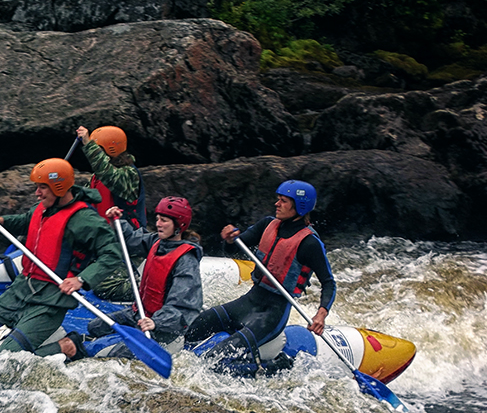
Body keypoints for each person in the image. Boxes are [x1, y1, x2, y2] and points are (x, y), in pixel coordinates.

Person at [0, 158, 122, 360]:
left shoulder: (85, 220)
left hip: (51, 300)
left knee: (4, 360)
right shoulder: (41, 208)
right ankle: (13, 338)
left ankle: (67, 346)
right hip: (21, 289)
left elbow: (112, 253)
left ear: (58, 187)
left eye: (42, 187)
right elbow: (26, 221)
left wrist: (81, 279)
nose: (37, 193)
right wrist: (1, 221)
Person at [184, 180, 336, 375]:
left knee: (215, 361)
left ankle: (277, 366)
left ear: (300, 206)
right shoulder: (267, 224)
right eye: (278, 199)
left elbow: (329, 282)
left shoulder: (310, 243)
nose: (277, 204)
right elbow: (233, 250)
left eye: (283, 201)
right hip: (249, 301)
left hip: (272, 314)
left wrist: (321, 314)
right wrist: (230, 240)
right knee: (194, 328)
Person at [87, 197, 204, 358]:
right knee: (95, 327)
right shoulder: (156, 241)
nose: (158, 224)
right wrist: (117, 222)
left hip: (164, 327)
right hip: (140, 314)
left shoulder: (186, 260)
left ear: (178, 225)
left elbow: (184, 306)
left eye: (164, 220)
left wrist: (157, 322)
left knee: (117, 356)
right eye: (157, 219)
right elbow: (132, 239)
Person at [76, 125, 147, 301]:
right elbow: (81, 199)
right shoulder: (97, 177)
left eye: (98, 149)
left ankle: (151, 288)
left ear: (110, 149)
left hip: (129, 249)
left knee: (103, 287)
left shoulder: (128, 174)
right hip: (104, 245)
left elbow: (110, 176)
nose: (94, 155)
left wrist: (87, 143)